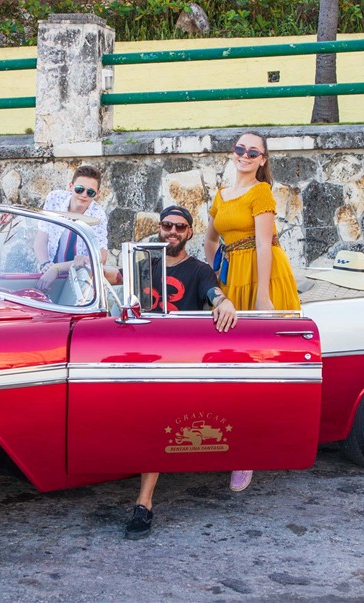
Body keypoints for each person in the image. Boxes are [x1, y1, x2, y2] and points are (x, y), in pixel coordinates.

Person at [124, 205, 238, 541]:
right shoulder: (144, 265)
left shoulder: (199, 270)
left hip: (176, 360)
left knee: (155, 421)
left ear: (190, 232)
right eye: (167, 225)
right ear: (159, 228)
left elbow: (214, 293)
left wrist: (224, 303)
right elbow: (114, 279)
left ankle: (144, 503)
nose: (172, 231)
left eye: (180, 227)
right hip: (140, 354)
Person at [203, 132, 300, 493]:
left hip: (263, 276)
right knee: (230, 364)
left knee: (260, 365)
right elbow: (211, 238)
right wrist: (213, 275)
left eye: (252, 151)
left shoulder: (261, 192)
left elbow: (263, 243)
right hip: (232, 277)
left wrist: (262, 296)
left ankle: (248, 452)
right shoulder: (221, 195)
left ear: (262, 159)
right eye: (240, 149)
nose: (244, 155)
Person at [34, 165, 109, 290]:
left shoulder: (98, 215)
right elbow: (41, 238)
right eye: (79, 189)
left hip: (77, 278)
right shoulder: (54, 199)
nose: (84, 195)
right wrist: (45, 264)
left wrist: (58, 268)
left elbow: (101, 257)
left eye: (90, 192)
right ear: (70, 186)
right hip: (46, 268)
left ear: (97, 194)